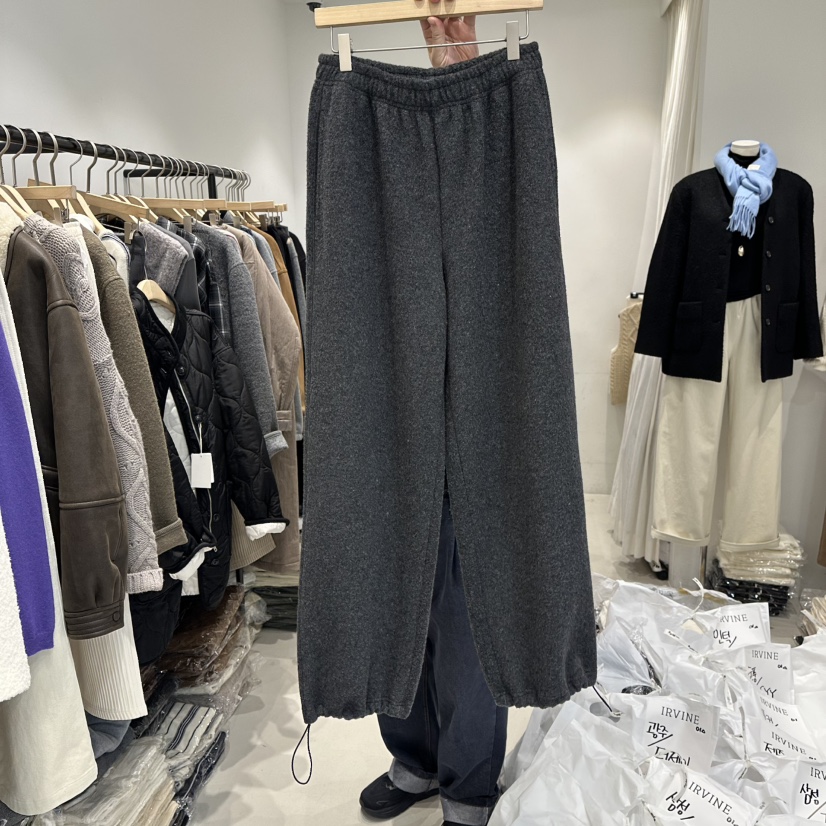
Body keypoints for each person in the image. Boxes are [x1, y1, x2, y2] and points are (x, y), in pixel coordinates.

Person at [356, 15, 508, 826]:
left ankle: (469, 783)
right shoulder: (369, 151)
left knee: (470, 598)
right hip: (392, 399)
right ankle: (413, 759)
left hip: (481, 406)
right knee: (396, 581)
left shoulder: (494, 137)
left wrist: (465, 76)